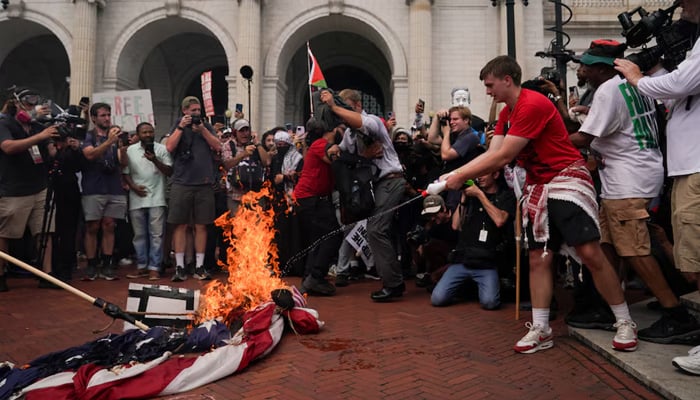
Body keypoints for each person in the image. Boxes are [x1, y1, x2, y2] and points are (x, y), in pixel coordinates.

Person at [443, 55, 638, 353]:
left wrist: (458, 174)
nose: (487, 91)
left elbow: (502, 157)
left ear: (507, 79)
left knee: (589, 252)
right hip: (538, 186)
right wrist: (454, 175)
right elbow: (493, 151)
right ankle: (541, 327)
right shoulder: (508, 112)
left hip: (566, 179)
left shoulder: (532, 104)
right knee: (539, 258)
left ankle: (624, 321)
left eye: (489, 84)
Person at [569, 39, 700, 343]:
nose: (583, 70)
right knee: (608, 243)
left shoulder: (607, 90)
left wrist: (542, 135)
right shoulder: (627, 85)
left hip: (627, 180)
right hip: (636, 173)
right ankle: (611, 306)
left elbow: (584, 138)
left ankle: (675, 312)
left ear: (602, 68)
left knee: (633, 248)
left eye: (587, 65)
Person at [615, 0, 700, 372]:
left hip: (696, 166)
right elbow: (672, 91)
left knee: (696, 259)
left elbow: (681, 83)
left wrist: (637, 76)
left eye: (687, 4)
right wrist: (656, 70)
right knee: (691, 257)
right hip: (687, 166)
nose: (681, 10)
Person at [320, 88, 407, 302]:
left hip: (391, 180)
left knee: (376, 230)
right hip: (376, 186)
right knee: (379, 230)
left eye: (345, 108)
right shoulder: (350, 134)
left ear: (357, 107)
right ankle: (396, 278)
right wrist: (332, 150)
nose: (340, 115)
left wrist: (334, 106)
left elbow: (362, 125)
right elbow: (340, 153)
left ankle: (394, 284)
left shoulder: (373, 122)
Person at [0, 87, 60, 291]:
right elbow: (8, 147)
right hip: (14, 188)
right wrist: (41, 135)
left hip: (40, 185)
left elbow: (49, 153)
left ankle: (47, 274)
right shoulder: (5, 124)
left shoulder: (35, 126)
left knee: (44, 231)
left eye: (35, 102)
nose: (33, 107)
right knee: (7, 233)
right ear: (16, 104)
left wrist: (58, 142)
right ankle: (1, 274)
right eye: (28, 102)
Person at [431, 170, 515, 309]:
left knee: (490, 303)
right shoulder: (470, 196)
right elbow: (455, 225)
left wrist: (480, 195)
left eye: (484, 174)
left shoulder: (505, 196)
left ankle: (481, 287)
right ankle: (470, 287)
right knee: (437, 299)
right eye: (477, 175)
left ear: (495, 174)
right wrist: (463, 199)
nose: (479, 178)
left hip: (486, 261)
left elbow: (500, 220)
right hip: (463, 259)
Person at [165, 96, 221, 281]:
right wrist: (182, 127)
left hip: (204, 183)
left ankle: (199, 266)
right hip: (182, 182)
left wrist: (203, 130)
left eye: (198, 110)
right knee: (180, 224)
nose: (197, 114)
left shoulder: (205, 125)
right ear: (185, 111)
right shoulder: (178, 124)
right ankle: (180, 266)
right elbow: (169, 147)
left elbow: (218, 146)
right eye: (193, 111)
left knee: (201, 226)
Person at [294, 117, 343, 296]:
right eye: (340, 128)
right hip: (311, 198)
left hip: (312, 198)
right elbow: (332, 157)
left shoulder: (315, 144)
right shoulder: (319, 143)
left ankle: (311, 277)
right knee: (332, 235)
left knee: (318, 239)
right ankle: (315, 276)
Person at [80, 103, 127, 281]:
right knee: (92, 226)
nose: (107, 118)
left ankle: (107, 263)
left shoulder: (115, 137)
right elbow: (90, 155)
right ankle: (92, 263)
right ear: (93, 118)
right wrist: (109, 142)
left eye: (108, 115)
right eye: (102, 115)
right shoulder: (88, 136)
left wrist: (122, 147)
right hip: (94, 187)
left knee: (109, 225)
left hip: (114, 187)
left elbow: (123, 164)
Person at [123, 122, 173, 281]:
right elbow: (125, 173)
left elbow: (169, 171)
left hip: (157, 198)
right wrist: (133, 187)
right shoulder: (130, 150)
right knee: (139, 235)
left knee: (157, 235)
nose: (147, 135)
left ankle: (154, 268)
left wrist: (155, 160)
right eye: (144, 132)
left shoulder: (161, 149)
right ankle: (142, 266)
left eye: (150, 132)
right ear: (138, 134)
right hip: (136, 198)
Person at [427, 105, 482, 210]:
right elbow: (432, 139)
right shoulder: (456, 136)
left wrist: (446, 133)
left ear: (466, 120)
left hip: (461, 184)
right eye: (450, 119)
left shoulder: (470, 137)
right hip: (452, 183)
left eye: (455, 119)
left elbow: (446, 155)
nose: (451, 122)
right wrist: (436, 118)